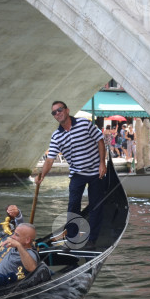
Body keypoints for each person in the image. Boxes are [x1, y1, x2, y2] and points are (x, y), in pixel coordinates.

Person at [35, 101, 106, 250]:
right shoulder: (56, 136)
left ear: (67, 110)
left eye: (59, 110)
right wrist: (41, 175)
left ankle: (92, 239)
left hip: (95, 172)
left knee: (95, 206)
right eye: (54, 112)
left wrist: (102, 163)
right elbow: (50, 159)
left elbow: (99, 139)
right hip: (77, 173)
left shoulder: (84, 124)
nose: (57, 113)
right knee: (73, 206)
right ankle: (72, 239)